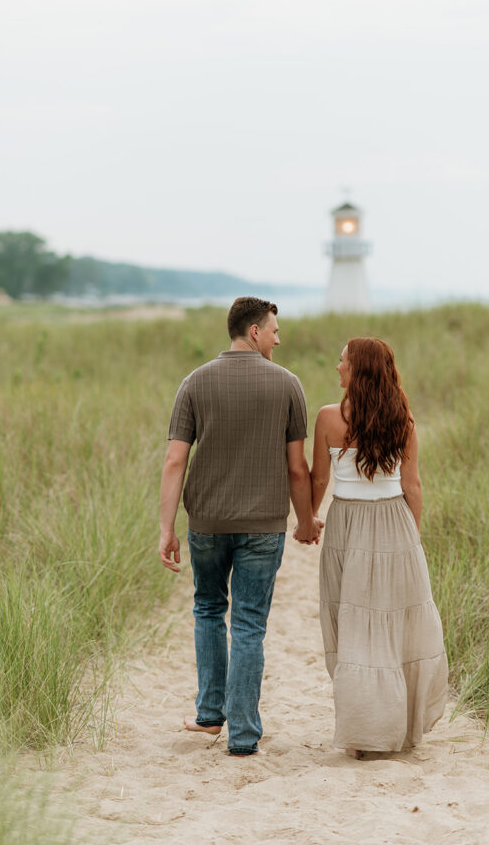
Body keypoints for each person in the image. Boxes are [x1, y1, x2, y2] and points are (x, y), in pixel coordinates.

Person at [158, 297, 322, 757]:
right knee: (249, 624)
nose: (277, 337)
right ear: (254, 331)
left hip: (206, 522)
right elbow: (297, 468)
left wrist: (166, 528)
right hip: (263, 527)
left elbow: (175, 461)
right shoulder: (288, 384)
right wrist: (306, 520)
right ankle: (244, 735)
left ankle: (210, 715)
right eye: (274, 330)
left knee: (209, 610)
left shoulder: (194, 382)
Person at [310, 337, 448, 757]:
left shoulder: (328, 418)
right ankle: (397, 731)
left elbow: (319, 479)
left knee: (352, 624)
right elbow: (412, 486)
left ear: (358, 371)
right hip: (394, 522)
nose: (337, 368)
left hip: (346, 523)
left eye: (342, 361)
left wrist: (307, 519)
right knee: (395, 625)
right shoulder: (403, 419)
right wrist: (412, 537)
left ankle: (366, 734)